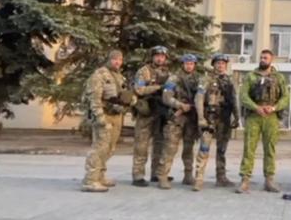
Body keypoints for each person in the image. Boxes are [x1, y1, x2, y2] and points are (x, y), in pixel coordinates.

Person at [236, 49, 290, 193]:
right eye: (261, 57)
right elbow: (243, 96)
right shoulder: (251, 76)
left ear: (272, 60)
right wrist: (256, 107)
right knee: (249, 148)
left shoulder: (279, 77)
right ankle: (245, 180)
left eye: (265, 57)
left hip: (271, 117)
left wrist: (274, 108)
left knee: (270, 149)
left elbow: (286, 97)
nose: (262, 59)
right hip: (254, 116)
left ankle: (269, 180)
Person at [81, 50, 136, 192]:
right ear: (109, 59)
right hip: (104, 116)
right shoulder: (100, 75)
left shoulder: (119, 77)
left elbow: (122, 95)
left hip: (116, 116)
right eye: (115, 59)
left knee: (109, 149)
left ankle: (100, 176)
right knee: (99, 148)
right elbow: (94, 98)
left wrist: (131, 100)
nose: (117, 62)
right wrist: (99, 117)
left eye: (120, 59)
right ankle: (90, 180)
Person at [193, 53, 241, 191]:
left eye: (223, 64)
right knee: (204, 149)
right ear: (213, 64)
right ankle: (199, 178)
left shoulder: (230, 80)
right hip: (209, 119)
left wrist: (237, 117)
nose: (220, 66)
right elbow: (199, 98)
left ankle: (221, 177)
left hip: (224, 119)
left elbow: (234, 99)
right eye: (218, 63)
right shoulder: (206, 79)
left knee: (222, 150)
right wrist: (201, 117)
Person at [155, 53, 201, 189]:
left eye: (192, 64)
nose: (189, 66)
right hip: (176, 117)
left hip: (191, 119)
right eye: (187, 63)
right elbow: (166, 97)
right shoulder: (173, 79)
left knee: (188, 148)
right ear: (183, 64)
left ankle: (188, 175)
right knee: (170, 148)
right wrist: (180, 105)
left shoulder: (198, 80)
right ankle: (162, 176)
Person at [131, 46, 171, 187]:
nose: (160, 58)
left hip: (160, 112)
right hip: (146, 112)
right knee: (141, 145)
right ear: (152, 57)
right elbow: (139, 89)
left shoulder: (167, 72)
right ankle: (138, 175)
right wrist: (158, 88)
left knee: (159, 144)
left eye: (162, 56)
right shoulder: (144, 71)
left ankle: (156, 173)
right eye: (157, 56)